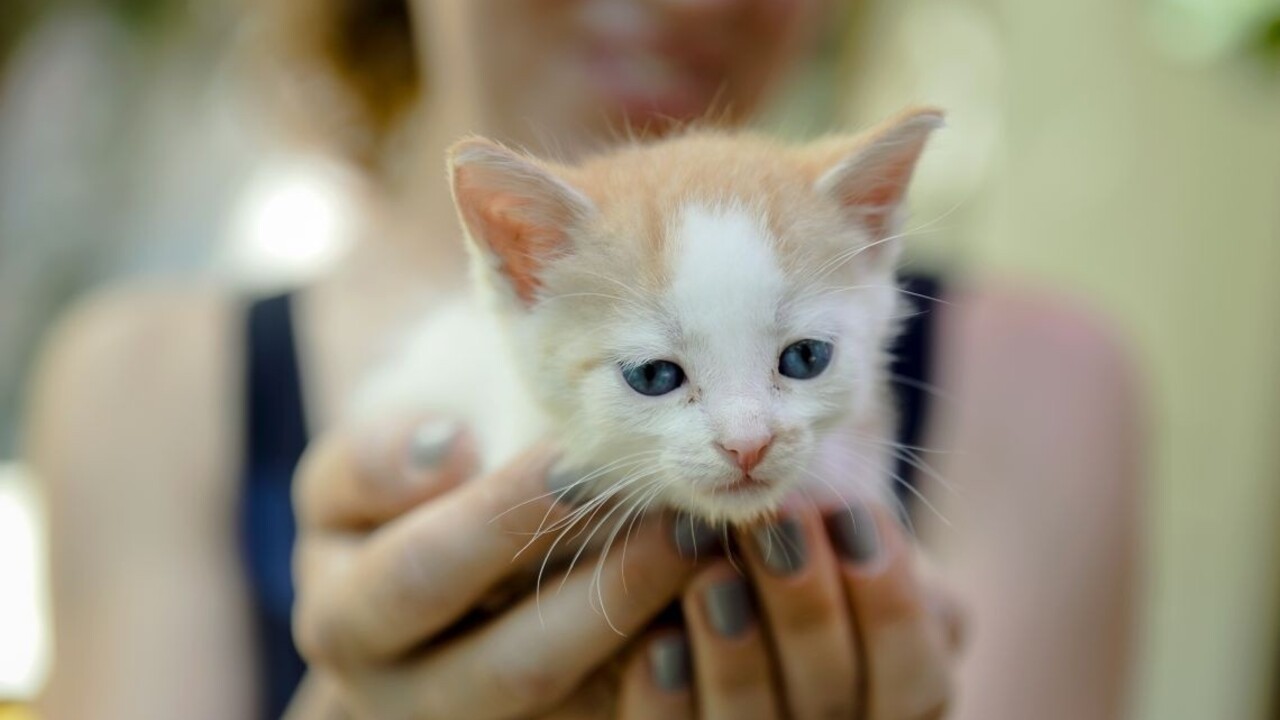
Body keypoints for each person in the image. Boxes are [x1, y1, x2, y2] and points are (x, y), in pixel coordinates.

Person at [24, 0, 1143, 717]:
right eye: (658, 375)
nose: (751, 437)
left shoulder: (1047, 379)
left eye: (800, 357)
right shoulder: (142, 378)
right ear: (516, 259)